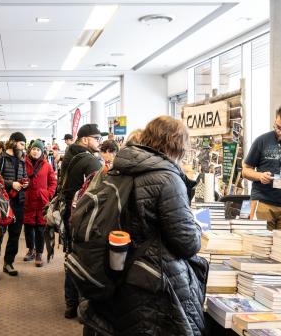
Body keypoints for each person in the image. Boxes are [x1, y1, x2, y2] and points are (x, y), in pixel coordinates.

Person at [82, 116, 205, 335]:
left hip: (120, 268)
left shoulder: (120, 168)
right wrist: (197, 226)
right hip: (153, 280)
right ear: (176, 145)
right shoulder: (167, 177)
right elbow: (187, 243)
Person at [60, 124, 102, 318]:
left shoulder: (70, 155)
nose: (99, 142)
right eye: (97, 138)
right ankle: (84, 307)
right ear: (85, 139)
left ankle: (70, 304)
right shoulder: (91, 161)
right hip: (85, 218)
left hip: (68, 214)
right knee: (85, 260)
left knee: (70, 256)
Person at [0, 132, 27, 276]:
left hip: (19, 202)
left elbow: (24, 176)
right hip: (3, 203)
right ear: (13, 142)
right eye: (21, 144)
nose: (23, 148)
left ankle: (8, 263)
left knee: (14, 235)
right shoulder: (0, 159)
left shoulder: (21, 160)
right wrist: (11, 184)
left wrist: (25, 182)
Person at [23, 140, 57, 267]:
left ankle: (39, 253)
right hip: (28, 201)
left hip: (42, 202)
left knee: (40, 229)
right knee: (28, 228)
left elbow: (53, 182)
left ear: (42, 151)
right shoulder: (24, 163)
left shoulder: (47, 165)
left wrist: (48, 194)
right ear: (30, 150)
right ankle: (30, 250)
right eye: (33, 149)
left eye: (38, 149)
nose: (35, 151)